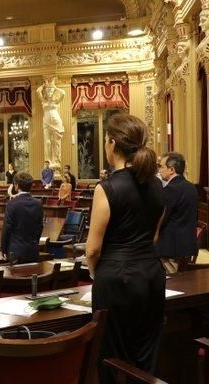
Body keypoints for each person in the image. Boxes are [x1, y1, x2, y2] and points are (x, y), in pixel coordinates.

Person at [85, 114, 165, 384]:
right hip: (152, 273)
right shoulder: (157, 185)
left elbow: (93, 250)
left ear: (111, 143)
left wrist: (98, 273)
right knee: (145, 354)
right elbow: (153, 237)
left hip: (116, 277)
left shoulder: (106, 188)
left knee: (111, 355)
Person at [156, 152, 198, 273]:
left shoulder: (171, 189)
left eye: (162, 166)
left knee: (171, 286)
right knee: (184, 285)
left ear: (171, 170)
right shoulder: (191, 187)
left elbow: (161, 218)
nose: (159, 170)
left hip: (170, 248)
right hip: (187, 246)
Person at [0, 171, 44, 264]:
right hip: (33, 250)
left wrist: (3, 249)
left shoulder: (12, 204)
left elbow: (7, 228)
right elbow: (40, 227)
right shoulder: (38, 204)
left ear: (16, 186)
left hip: (15, 252)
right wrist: (34, 242)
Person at [37, 77, 66, 165]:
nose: (49, 92)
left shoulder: (55, 101)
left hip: (56, 121)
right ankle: (48, 161)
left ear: (53, 92)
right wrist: (44, 85)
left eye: (51, 91)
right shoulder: (43, 101)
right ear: (45, 92)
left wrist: (55, 87)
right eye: (47, 91)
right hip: (46, 122)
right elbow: (38, 91)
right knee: (47, 142)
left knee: (55, 142)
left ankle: (56, 161)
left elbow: (63, 93)